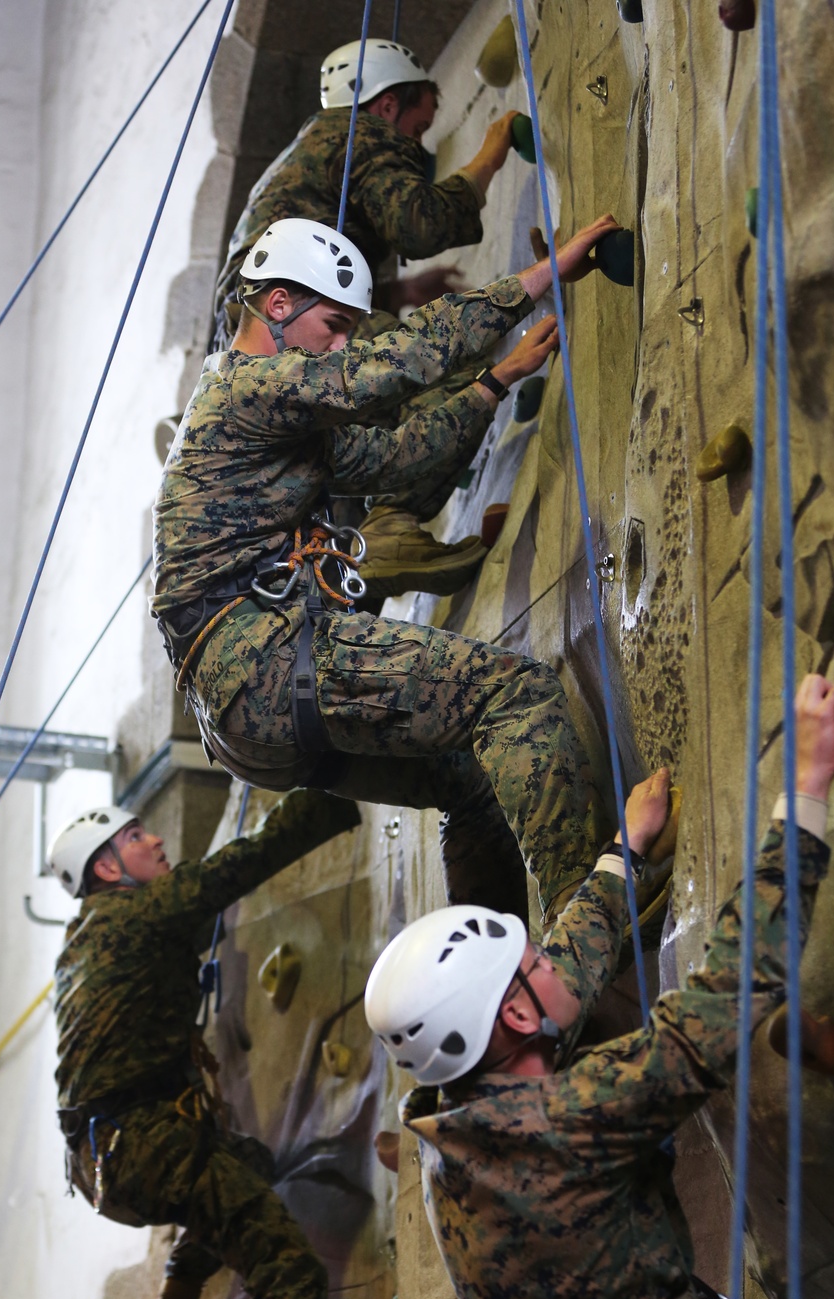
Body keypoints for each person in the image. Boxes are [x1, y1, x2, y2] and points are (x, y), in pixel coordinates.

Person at [365, 676, 834, 1299]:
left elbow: (557, 973)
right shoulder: (559, 1123)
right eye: (527, 973)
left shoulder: (458, 1117)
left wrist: (623, 853)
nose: (548, 965)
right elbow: (723, 999)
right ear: (516, 1022)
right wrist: (806, 792)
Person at [153, 211, 621, 929]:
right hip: (266, 665)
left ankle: (490, 987)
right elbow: (398, 361)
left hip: (247, 717)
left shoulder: (276, 423)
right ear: (278, 305)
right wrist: (539, 277)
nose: (340, 343)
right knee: (520, 694)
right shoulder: (247, 391)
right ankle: (582, 937)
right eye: (334, 323)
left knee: (474, 781)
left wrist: (496, 382)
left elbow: (395, 457)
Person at [50, 790, 365, 1299]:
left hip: (104, 1159)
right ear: (107, 869)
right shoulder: (136, 914)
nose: (156, 841)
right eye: (136, 838)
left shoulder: (86, 938)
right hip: (146, 1139)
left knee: (244, 1168)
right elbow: (237, 867)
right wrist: (329, 794)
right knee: (289, 1271)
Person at [212, 38, 522, 600]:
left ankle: (364, 559)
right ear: (385, 106)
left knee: (341, 474)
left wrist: (397, 289)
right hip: (288, 319)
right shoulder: (355, 132)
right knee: (446, 363)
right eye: (418, 127)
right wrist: (491, 155)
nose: (415, 143)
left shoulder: (307, 158)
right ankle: (394, 524)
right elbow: (419, 223)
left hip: (259, 335)